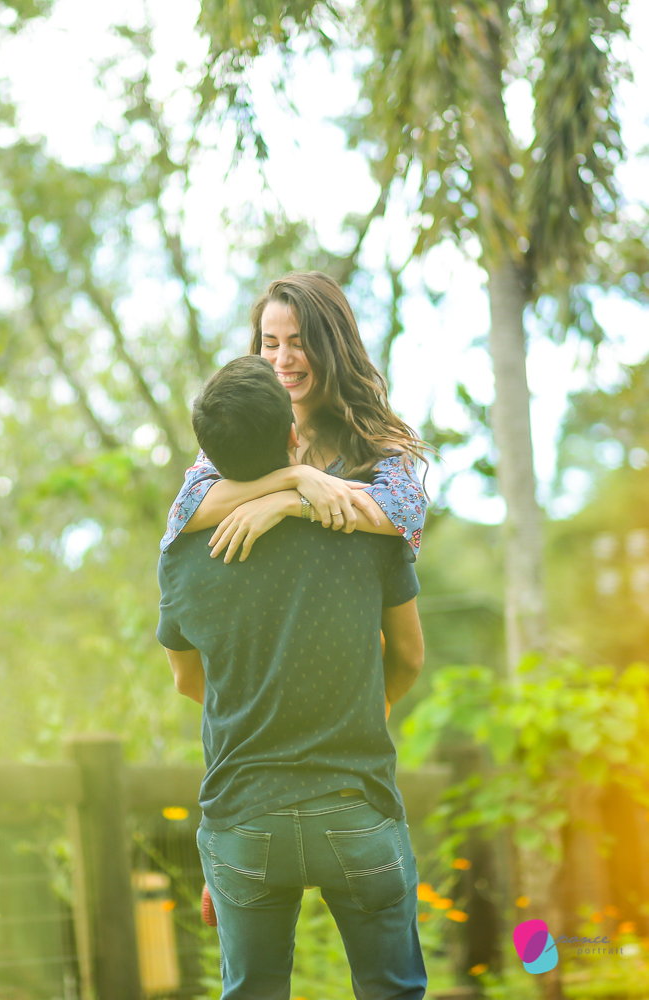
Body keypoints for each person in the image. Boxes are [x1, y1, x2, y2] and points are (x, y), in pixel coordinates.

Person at [157, 355, 427, 999]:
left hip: (242, 819)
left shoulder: (184, 553)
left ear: (209, 455)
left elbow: (189, 682)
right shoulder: (365, 525)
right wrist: (359, 707)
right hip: (358, 806)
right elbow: (411, 657)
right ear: (291, 437)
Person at [160, 271, 427, 566]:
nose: (282, 360)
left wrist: (287, 503)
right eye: (271, 344)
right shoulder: (242, 425)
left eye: (299, 344)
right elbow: (184, 511)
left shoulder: (374, 438)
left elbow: (407, 512)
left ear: (335, 346)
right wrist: (295, 477)